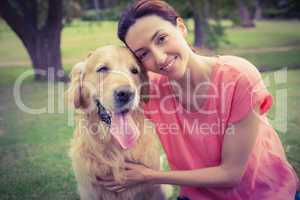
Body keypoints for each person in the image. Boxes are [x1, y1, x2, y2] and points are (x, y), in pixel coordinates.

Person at [97, 0, 299, 199]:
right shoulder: (150, 89)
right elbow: (110, 105)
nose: (158, 58)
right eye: (143, 54)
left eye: (161, 38)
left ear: (181, 27)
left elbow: (230, 174)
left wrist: (150, 176)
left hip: (263, 194)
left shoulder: (239, 77)